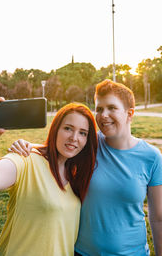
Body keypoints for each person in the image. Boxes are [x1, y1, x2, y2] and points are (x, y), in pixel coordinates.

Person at [9, 79, 162, 256]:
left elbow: (158, 218)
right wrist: (27, 145)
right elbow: (60, 146)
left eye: (112, 108)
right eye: (99, 109)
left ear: (130, 113)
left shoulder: (152, 157)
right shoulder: (89, 144)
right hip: (82, 252)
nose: (104, 115)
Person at [0, 98, 97, 256]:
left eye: (83, 133)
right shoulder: (27, 158)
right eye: (68, 128)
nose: (74, 138)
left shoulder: (76, 174)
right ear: (55, 129)